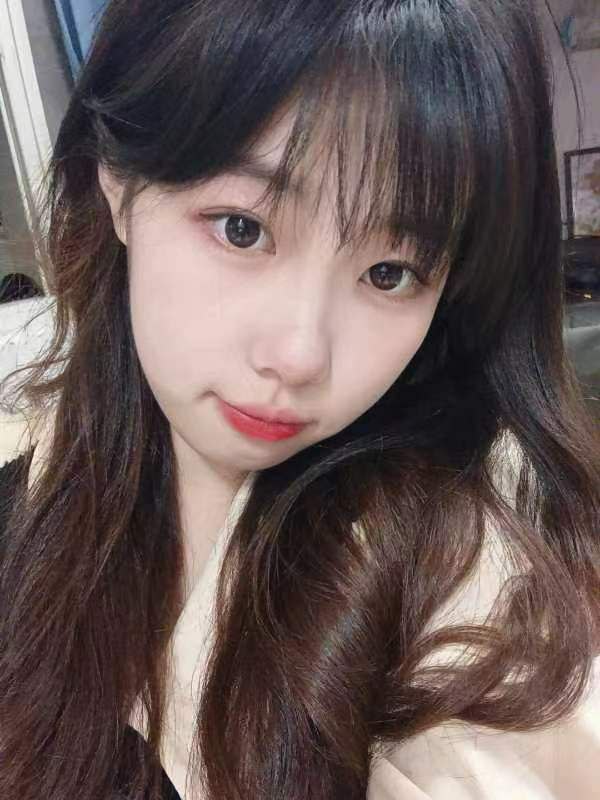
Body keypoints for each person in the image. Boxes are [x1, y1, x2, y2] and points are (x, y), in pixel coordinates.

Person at [0, 1, 599, 798]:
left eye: (390, 273)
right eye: (242, 229)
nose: (299, 356)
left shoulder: (465, 581)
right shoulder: (37, 466)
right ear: (119, 182)